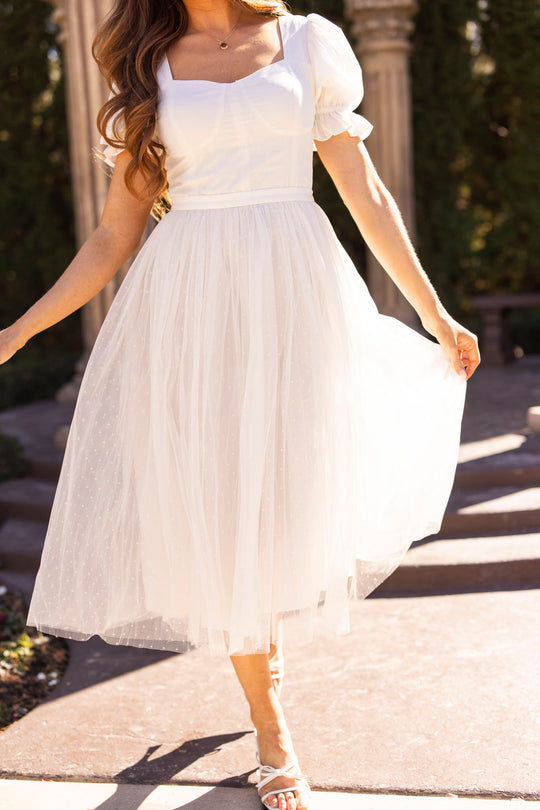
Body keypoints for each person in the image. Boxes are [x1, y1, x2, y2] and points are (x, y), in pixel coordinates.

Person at [0, 1, 480, 808]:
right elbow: (116, 234)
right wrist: (16, 330)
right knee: (223, 508)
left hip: (296, 293)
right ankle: (270, 722)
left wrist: (432, 311)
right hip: (189, 307)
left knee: (285, 490)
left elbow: (362, 192)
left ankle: (262, 643)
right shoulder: (148, 62)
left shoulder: (308, 41)